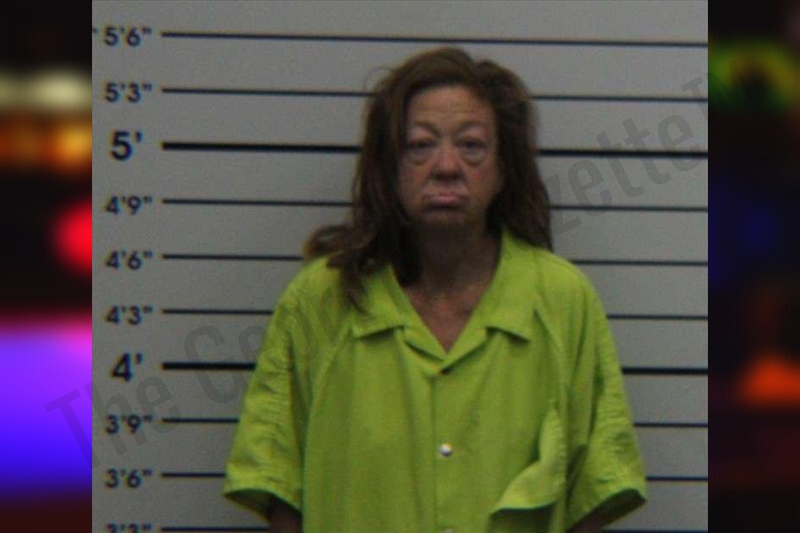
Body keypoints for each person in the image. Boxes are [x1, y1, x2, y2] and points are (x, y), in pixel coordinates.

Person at [223, 46, 647, 533]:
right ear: (389, 167)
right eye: (420, 145)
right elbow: (278, 486)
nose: (447, 166)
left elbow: (594, 490)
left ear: (504, 168)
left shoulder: (563, 300)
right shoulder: (320, 301)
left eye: (472, 145)